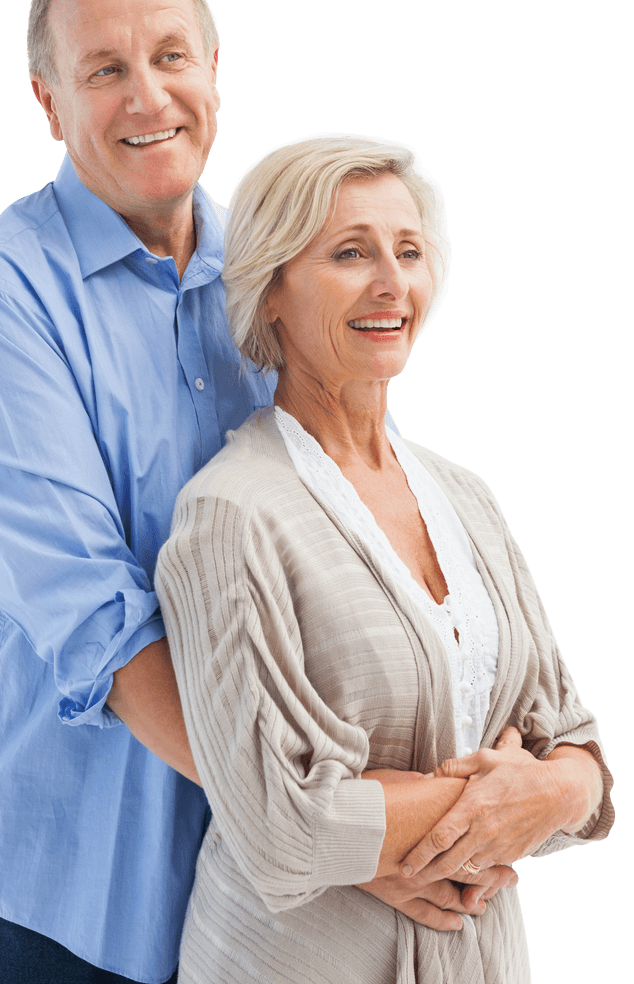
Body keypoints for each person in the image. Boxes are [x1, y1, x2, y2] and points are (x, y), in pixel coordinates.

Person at [155, 133, 615, 983]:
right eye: (349, 252)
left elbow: (577, 747)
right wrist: (517, 798)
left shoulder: (466, 496)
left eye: (408, 252)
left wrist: (563, 791)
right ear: (272, 290)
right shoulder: (229, 515)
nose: (389, 283)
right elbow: (279, 823)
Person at [0, 0, 277, 984]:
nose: (147, 97)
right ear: (47, 100)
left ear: (215, 69)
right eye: (105, 70)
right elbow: (96, 625)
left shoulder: (279, 276)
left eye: (170, 56)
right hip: (68, 908)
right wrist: (339, 836)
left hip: (262, 904)